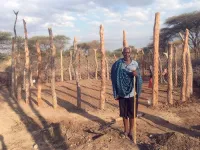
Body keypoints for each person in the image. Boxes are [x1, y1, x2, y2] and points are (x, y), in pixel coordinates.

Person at [111, 47, 143, 140]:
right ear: (122, 53)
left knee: (132, 113)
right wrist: (116, 92)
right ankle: (126, 131)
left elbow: (139, 77)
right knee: (124, 114)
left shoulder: (135, 64)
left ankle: (132, 130)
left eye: (128, 52)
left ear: (130, 53)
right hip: (122, 93)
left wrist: (136, 75)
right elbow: (114, 78)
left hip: (132, 93)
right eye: (125, 52)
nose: (126, 54)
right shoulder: (118, 64)